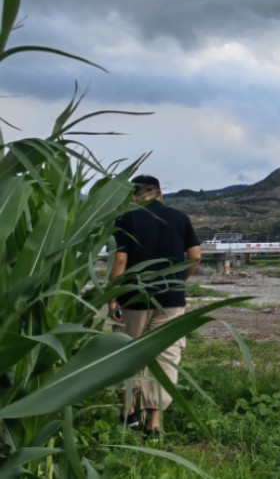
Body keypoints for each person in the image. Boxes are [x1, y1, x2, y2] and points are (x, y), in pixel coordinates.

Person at [109, 175, 202, 438]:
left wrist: (112, 297)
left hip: (133, 299)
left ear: (133, 197)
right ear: (161, 194)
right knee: (165, 356)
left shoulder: (126, 219)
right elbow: (195, 257)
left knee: (126, 353)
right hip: (171, 300)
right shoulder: (180, 218)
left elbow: (120, 261)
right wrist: (179, 280)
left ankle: (129, 414)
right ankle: (155, 424)